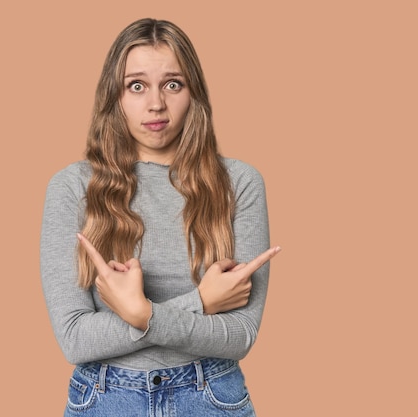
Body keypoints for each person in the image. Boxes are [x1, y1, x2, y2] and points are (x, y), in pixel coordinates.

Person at [40, 17, 281, 416]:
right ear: (115, 96)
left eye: (173, 84)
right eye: (136, 86)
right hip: (105, 399)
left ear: (194, 93)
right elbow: (76, 338)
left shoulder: (239, 182)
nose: (156, 104)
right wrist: (200, 302)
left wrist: (142, 314)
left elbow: (239, 335)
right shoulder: (72, 187)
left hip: (212, 395)